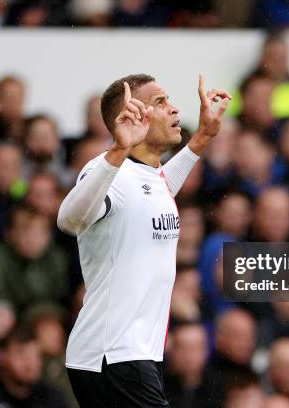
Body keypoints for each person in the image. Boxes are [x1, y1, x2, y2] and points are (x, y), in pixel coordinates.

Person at [57, 73, 230, 407]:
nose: (175, 108)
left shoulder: (147, 175)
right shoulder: (107, 171)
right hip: (111, 354)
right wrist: (118, 149)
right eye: (160, 103)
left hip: (132, 354)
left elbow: (154, 193)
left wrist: (202, 139)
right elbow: (69, 220)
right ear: (133, 115)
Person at [0, 324, 66, 407]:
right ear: (1, 356)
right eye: (21, 354)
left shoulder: (51, 398)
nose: (30, 363)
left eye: (36, 355)